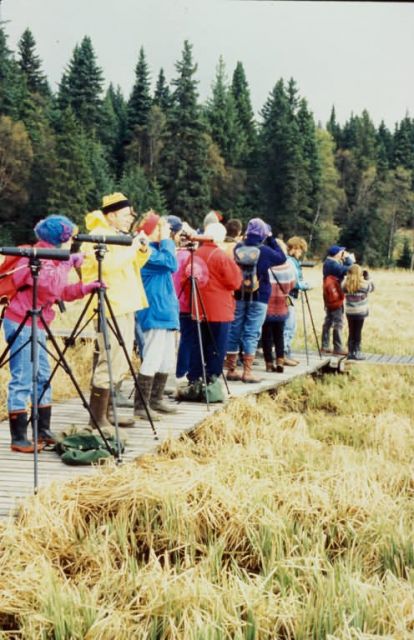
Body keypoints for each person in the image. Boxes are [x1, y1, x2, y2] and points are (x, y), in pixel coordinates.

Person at [3, 215, 101, 453]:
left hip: (38, 322)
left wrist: (86, 288)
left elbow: (60, 294)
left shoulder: (52, 259)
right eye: (69, 240)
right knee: (23, 378)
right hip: (22, 322)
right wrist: (69, 261)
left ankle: (43, 430)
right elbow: (49, 285)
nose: (72, 245)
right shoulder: (36, 258)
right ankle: (19, 438)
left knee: (44, 376)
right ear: (61, 240)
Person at [81, 192, 150, 429]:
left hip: (124, 303)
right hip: (110, 305)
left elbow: (129, 267)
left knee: (120, 360)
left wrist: (140, 251)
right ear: (110, 216)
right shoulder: (97, 237)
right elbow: (108, 266)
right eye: (124, 215)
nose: (129, 219)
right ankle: (97, 418)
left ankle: (105, 413)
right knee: (110, 360)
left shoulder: (116, 235)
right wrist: (131, 248)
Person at [181, 222, 242, 396]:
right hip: (219, 309)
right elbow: (235, 282)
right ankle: (211, 380)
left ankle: (194, 379)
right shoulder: (220, 256)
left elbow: (185, 282)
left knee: (198, 345)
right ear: (220, 238)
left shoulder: (194, 255)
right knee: (217, 347)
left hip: (198, 307)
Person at [225, 218, 286, 383]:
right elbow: (282, 258)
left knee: (235, 330)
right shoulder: (265, 250)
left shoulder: (238, 247)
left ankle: (231, 369)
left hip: (239, 295)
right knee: (252, 332)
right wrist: (271, 238)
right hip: (259, 296)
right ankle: (247, 372)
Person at [134, 214, 180, 419]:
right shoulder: (146, 252)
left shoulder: (156, 250)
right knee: (152, 356)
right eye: (161, 229)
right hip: (153, 311)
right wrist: (167, 238)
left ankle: (156, 399)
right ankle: (141, 404)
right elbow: (171, 262)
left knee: (166, 358)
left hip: (164, 311)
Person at [262, 242, 297, 373]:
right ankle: (280, 361)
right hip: (282, 304)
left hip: (267, 306)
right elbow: (292, 285)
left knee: (266, 335)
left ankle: (269, 363)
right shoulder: (288, 267)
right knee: (279, 335)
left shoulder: (267, 267)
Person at [321, 244, 354, 356]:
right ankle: (338, 347)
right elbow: (348, 270)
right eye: (341, 252)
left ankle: (325, 346)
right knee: (338, 321)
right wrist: (350, 259)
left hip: (329, 295)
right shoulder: (332, 264)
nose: (343, 253)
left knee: (329, 320)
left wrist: (344, 259)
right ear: (337, 254)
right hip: (334, 296)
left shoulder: (330, 262)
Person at [283, 236, 311, 365]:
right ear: (294, 248)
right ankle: (284, 353)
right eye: (300, 250)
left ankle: (286, 352)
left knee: (290, 325)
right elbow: (293, 281)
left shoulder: (293, 261)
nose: (301, 253)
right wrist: (305, 285)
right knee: (289, 325)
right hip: (288, 297)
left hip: (290, 296)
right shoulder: (290, 262)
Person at [342, 264, 374, 360]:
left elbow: (341, 286)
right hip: (360, 312)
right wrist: (368, 277)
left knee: (351, 331)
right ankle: (357, 352)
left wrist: (346, 277)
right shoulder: (363, 285)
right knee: (358, 332)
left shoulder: (345, 285)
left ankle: (351, 351)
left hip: (350, 312)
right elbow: (372, 288)